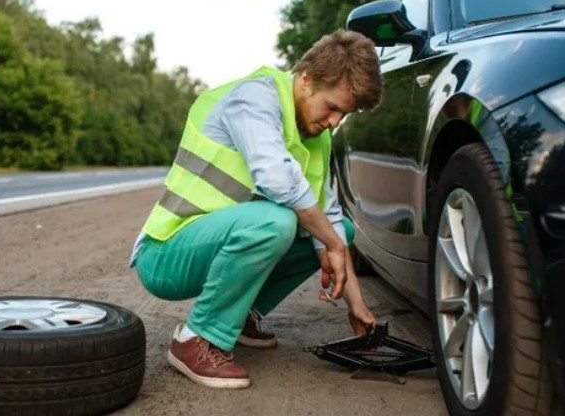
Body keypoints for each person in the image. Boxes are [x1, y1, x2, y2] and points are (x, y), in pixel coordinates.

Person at [129, 29, 383, 389]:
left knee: (338, 231)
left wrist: (357, 305)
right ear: (307, 80)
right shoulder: (254, 98)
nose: (334, 122)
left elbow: (330, 221)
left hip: (215, 244)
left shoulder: (316, 138)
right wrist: (332, 243)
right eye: (332, 108)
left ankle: (238, 315)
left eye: (344, 113)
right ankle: (196, 339)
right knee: (279, 222)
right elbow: (277, 180)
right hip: (166, 253)